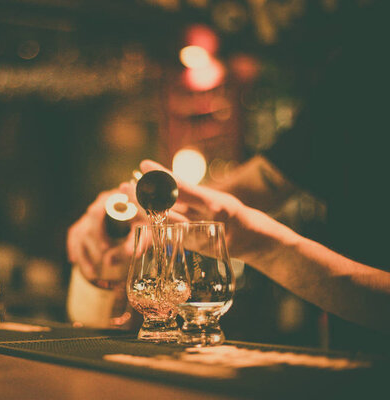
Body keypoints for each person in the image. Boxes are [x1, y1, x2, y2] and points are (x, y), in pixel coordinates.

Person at [67, 2, 390, 350]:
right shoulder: (356, 63)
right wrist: (131, 209)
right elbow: (267, 178)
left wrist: (261, 246)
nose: (261, 10)